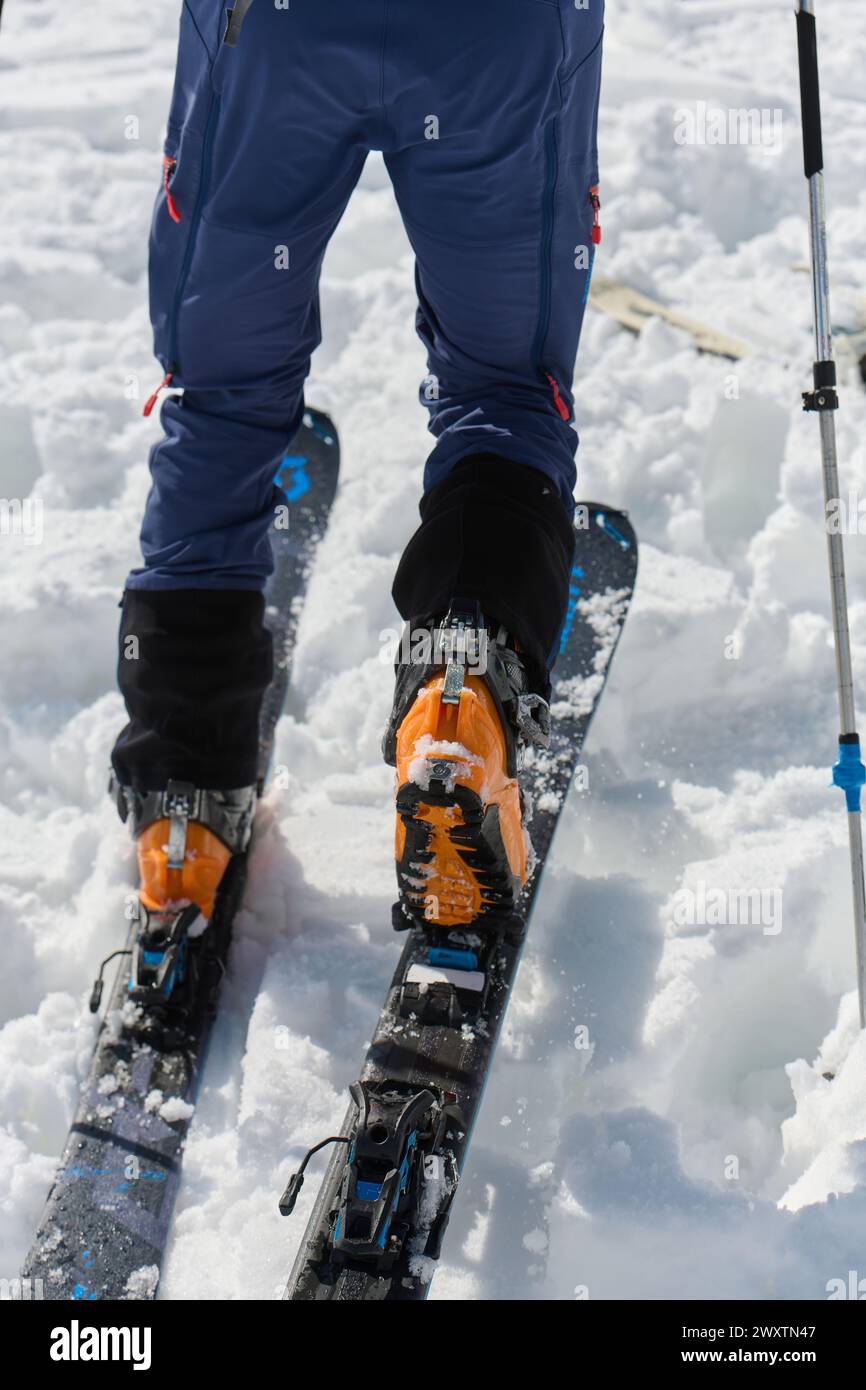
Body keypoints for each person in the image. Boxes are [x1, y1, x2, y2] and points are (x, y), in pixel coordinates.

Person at [110, 0, 604, 962]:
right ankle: (463, 699)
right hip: (492, 42)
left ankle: (187, 803)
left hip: (273, 37)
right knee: (504, 390)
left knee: (224, 395)